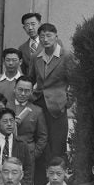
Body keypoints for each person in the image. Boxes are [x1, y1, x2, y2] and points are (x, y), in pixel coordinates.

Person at [29, 23, 72, 160]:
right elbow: (29, 79)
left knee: (57, 145)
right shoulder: (35, 56)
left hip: (57, 106)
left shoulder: (66, 56)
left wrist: (67, 102)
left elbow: (75, 82)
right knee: (40, 141)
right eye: (42, 36)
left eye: (49, 36)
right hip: (38, 103)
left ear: (56, 36)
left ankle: (56, 176)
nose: (45, 39)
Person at [8, 76, 48, 185]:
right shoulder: (5, 106)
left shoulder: (37, 110)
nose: (23, 93)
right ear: (14, 89)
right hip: (7, 150)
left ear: (31, 92)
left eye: (27, 91)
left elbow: (43, 136)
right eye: (20, 89)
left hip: (28, 155)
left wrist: (34, 154)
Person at [0, 108, 33, 185]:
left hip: (15, 184)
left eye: (12, 121)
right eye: (5, 121)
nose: (9, 124)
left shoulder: (22, 144)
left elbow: (28, 168)